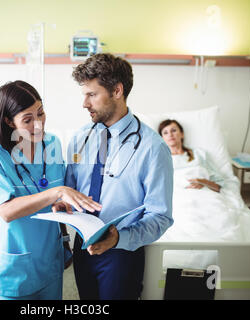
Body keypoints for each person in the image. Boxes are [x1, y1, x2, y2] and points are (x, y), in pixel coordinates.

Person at [0, 80, 102, 300]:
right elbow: (6, 211)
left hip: (49, 259)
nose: (38, 124)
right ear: (8, 121)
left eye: (41, 113)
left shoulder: (52, 143)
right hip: (14, 264)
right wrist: (57, 193)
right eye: (27, 119)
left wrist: (61, 209)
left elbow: (51, 198)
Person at [65, 53, 174, 300]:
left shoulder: (152, 148)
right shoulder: (80, 139)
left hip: (123, 253)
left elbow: (161, 216)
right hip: (83, 248)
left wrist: (119, 239)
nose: (84, 103)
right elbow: (68, 192)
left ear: (117, 91)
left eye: (91, 95)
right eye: (84, 95)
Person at [158, 119, 223, 193]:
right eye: (165, 133)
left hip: (204, 193)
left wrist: (203, 182)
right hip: (178, 195)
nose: (170, 134)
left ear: (182, 134)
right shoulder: (161, 160)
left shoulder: (199, 154)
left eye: (174, 130)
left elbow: (219, 186)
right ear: (162, 138)